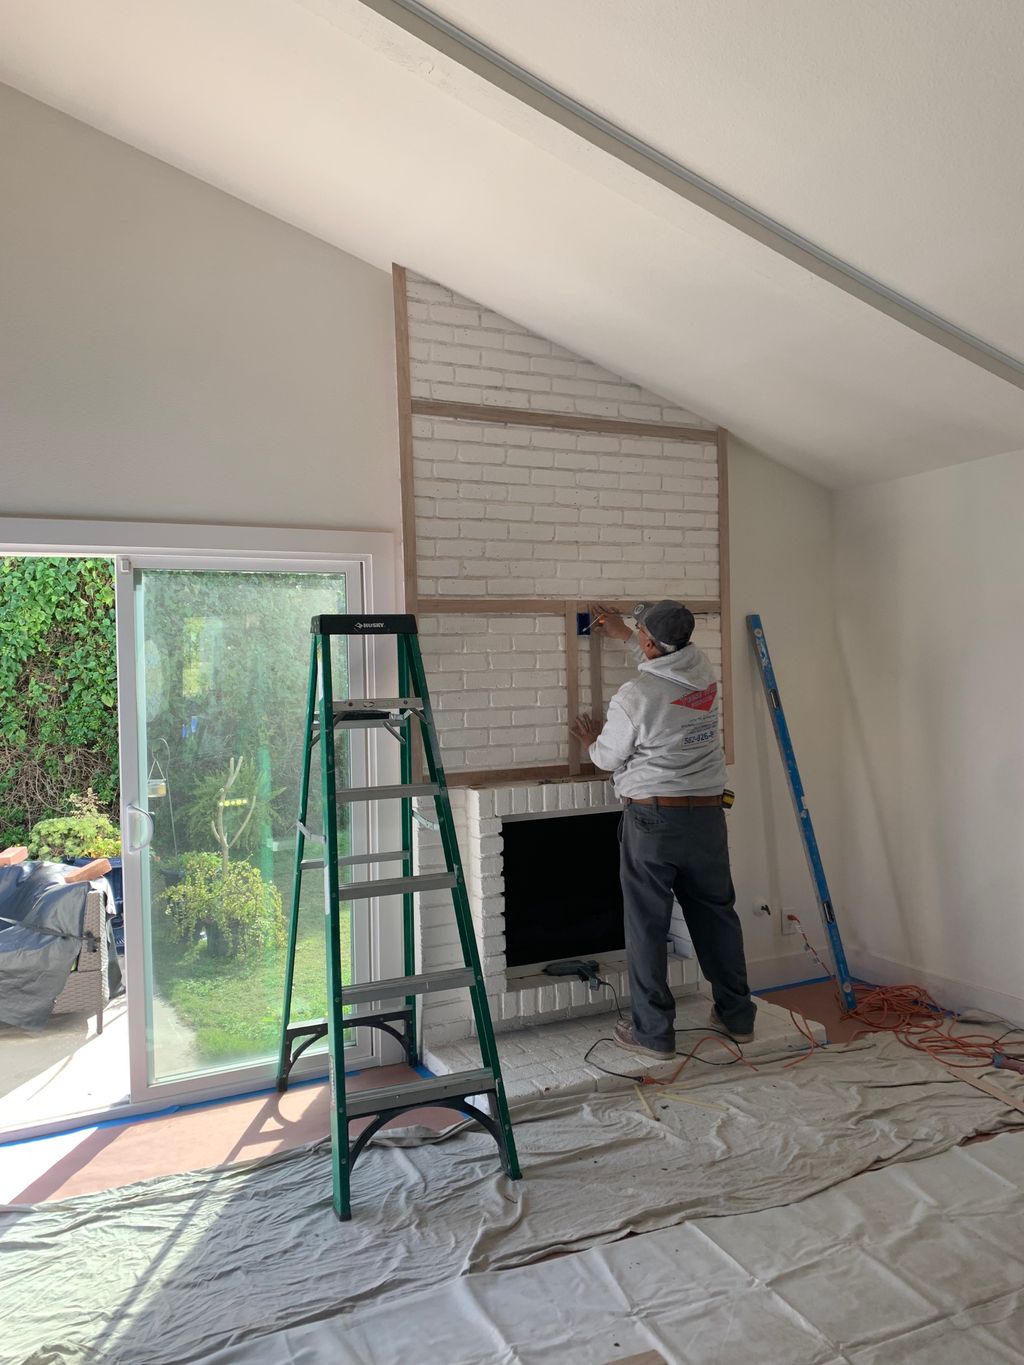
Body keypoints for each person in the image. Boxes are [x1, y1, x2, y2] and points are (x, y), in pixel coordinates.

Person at [571, 601, 755, 1060]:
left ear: (652, 642)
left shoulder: (634, 697)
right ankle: (737, 1016)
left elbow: (607, 759)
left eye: (641, 634)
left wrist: (590, 740)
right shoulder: (704, 670)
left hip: (654, 821)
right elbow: (662, 666)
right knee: (717, 916)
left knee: (647, 923)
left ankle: (653, 1032)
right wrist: (626, 636)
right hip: (708, 817)